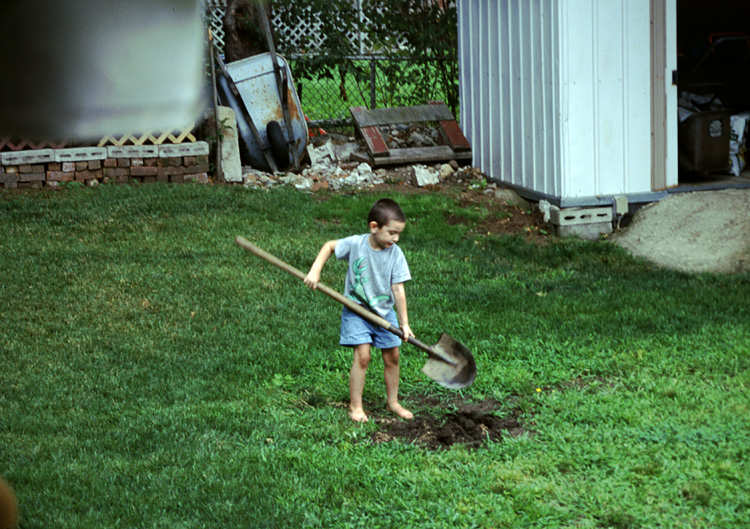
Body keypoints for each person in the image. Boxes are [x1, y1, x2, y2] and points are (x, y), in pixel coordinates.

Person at [304, 198, 414, 423]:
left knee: (393, 356)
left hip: (384, 312)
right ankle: (355, 407)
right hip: (356, 310)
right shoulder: (356, 244)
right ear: (374, 227)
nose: (396, 238)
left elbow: (398, 289)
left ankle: (393, 402)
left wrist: (404, 323)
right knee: (363, 356)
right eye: (392, 232)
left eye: (398, 233)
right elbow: (329, 246)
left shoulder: (395, 253)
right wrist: (315, 271)